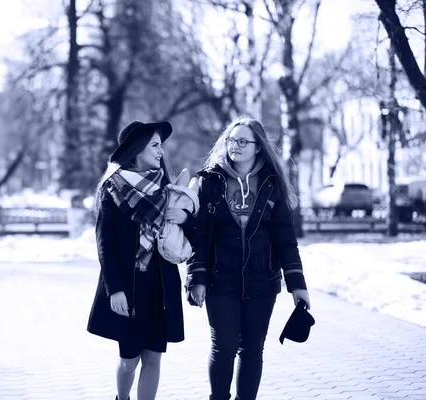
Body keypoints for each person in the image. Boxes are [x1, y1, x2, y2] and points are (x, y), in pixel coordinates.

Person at [185, 115, 311, 400]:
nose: (235, 146)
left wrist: (297, 284)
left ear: (258, 147)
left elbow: (285, 238)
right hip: (220, 281)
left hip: (261, 281)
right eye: (231, 140)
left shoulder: (271, 183)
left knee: (252, 349)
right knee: (224, 347)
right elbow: (199, 234)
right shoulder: (210, 181)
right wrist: (197, 277)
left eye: (243, 141)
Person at [87, 120, 193, 400]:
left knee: (154, 358)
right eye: (155, 145)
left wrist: (186, 217)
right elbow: (104, 244)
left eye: (161, 146)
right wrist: (115, 289)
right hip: (129, 287)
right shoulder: (112, 187)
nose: (161, 152)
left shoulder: (166, 187)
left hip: (160, 286)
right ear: (137, 149)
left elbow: (188, 230)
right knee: (129, 360)